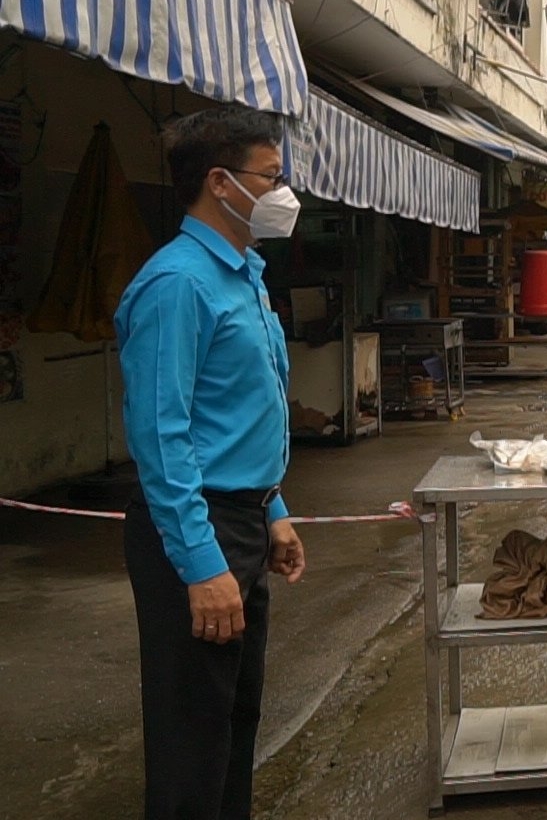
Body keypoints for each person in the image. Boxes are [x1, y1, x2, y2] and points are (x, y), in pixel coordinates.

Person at [116, 106, 309, 820]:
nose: (284, 194)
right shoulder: (178, 284)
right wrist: (201, 565)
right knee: (191, 741)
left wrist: (274, 510)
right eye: (272, 177)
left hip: (245, 519)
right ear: (221, 183)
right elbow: (161, 437)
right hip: (197, 528)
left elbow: (240, 413)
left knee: (234, 722)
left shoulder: (244, 273)